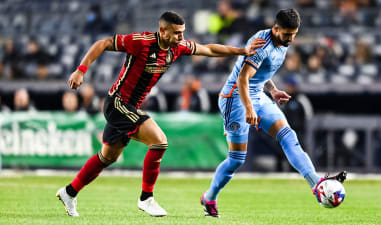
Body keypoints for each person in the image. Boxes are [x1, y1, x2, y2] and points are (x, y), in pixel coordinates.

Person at [56, 11, 265, 217]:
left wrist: (240, 51)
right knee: (159, 142)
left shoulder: (178, 47)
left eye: (182, 32)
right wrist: (81, 70)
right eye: (177, 33)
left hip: (131, 107)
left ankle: (69, 192)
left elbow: (208, 49)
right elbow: (102, 43)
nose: (181, 37)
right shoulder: (141, 42)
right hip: (118, 103)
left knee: (107, 157)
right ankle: (146, 198)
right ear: (163, 31)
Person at [200, 9, 347, 218]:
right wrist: (249, 108)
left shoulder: (282, 41)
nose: (290, 39)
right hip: (235, 98)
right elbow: (243, 78)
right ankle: (210, 197)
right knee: (237, 159)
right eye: (287, 34)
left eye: (293, 35)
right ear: (276, 28)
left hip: (259, 94)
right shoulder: (262, 44)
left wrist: (273, 90)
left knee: (288, 135)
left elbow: (261, 73)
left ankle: (316, 185)